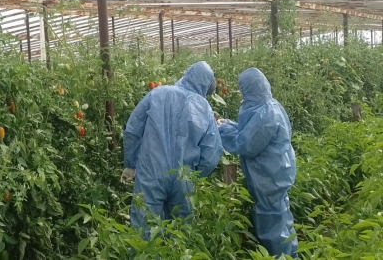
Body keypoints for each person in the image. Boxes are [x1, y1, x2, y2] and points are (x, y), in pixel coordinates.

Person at [121, 61, 224, 240]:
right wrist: (195, 175)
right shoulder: (204, 108)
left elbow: (133, 130)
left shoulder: (158, 93)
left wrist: (131, 164)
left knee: (144, 228)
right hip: (183, 176)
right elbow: (211, 152)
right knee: (180, 231)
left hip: (151, 171)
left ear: (187, 74)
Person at [217, 68, 298, 258]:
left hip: (270, 177)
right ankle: (291, 255)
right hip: (276, 172)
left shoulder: (265, 115)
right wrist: (227, 124)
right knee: (282, 217)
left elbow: (245, 144)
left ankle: (280, 256)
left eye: (243, 90)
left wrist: (221, 131)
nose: (242, 95)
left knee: (273, 224)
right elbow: (249, 131)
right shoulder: (270, 106)